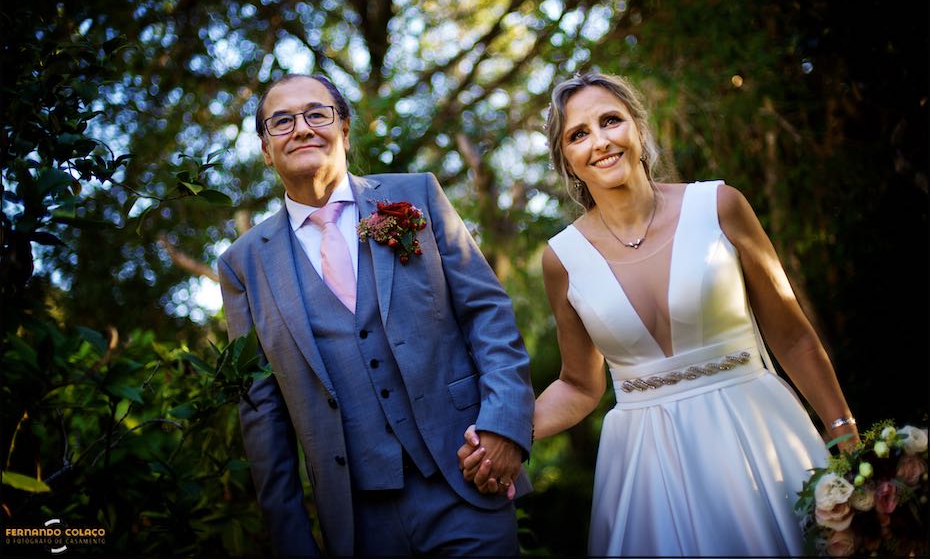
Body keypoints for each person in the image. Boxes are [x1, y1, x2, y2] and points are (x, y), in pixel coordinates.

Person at [459, 72, 860, 556]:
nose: (601, 141)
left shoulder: (720, 205)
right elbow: (581, 385)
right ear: (565, 158)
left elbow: (793, 337)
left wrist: (845, 436)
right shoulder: (561, 259)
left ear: (638, 127)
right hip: (648, 464)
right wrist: (507, 433)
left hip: (760, 432)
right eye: (578, 134)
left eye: (611, 121)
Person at [218, 73, 535, 557]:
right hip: (357, 522)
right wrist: (292, 540)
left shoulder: (417, 196)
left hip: (466, 479)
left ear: (343, 128)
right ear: (265, 149)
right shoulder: (243, 263)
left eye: (316, 114)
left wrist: (504, 426)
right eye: (281, 121)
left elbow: (487, 315)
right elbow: (261, 412)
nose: (301, 128)